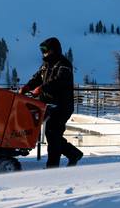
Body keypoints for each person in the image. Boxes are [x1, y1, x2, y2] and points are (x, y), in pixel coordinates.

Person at [19, 37, 83, 168]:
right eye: (42, 50)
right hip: (48, 105)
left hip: (62, 105)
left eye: (45, 49)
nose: (43, 52)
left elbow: (59, 81)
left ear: (53, 49)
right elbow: (37, 78)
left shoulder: (63, 64)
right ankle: (73, 154)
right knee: (53, 134)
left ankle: (52, 166)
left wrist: (42, 88)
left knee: (53, 134)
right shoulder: (46, 65)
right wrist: (27, 87)